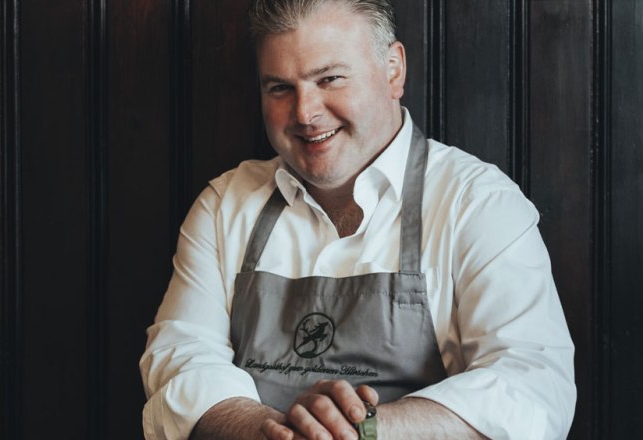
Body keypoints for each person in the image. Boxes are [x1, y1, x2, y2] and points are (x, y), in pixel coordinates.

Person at [140, 0, 576, 438]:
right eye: (279, 88)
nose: (305, 113)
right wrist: (271, 432)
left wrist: (362, 431)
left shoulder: (478, 203)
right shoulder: (224, 204)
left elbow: (532, 388)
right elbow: (181, 359)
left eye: (329, 79)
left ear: (393, 70)